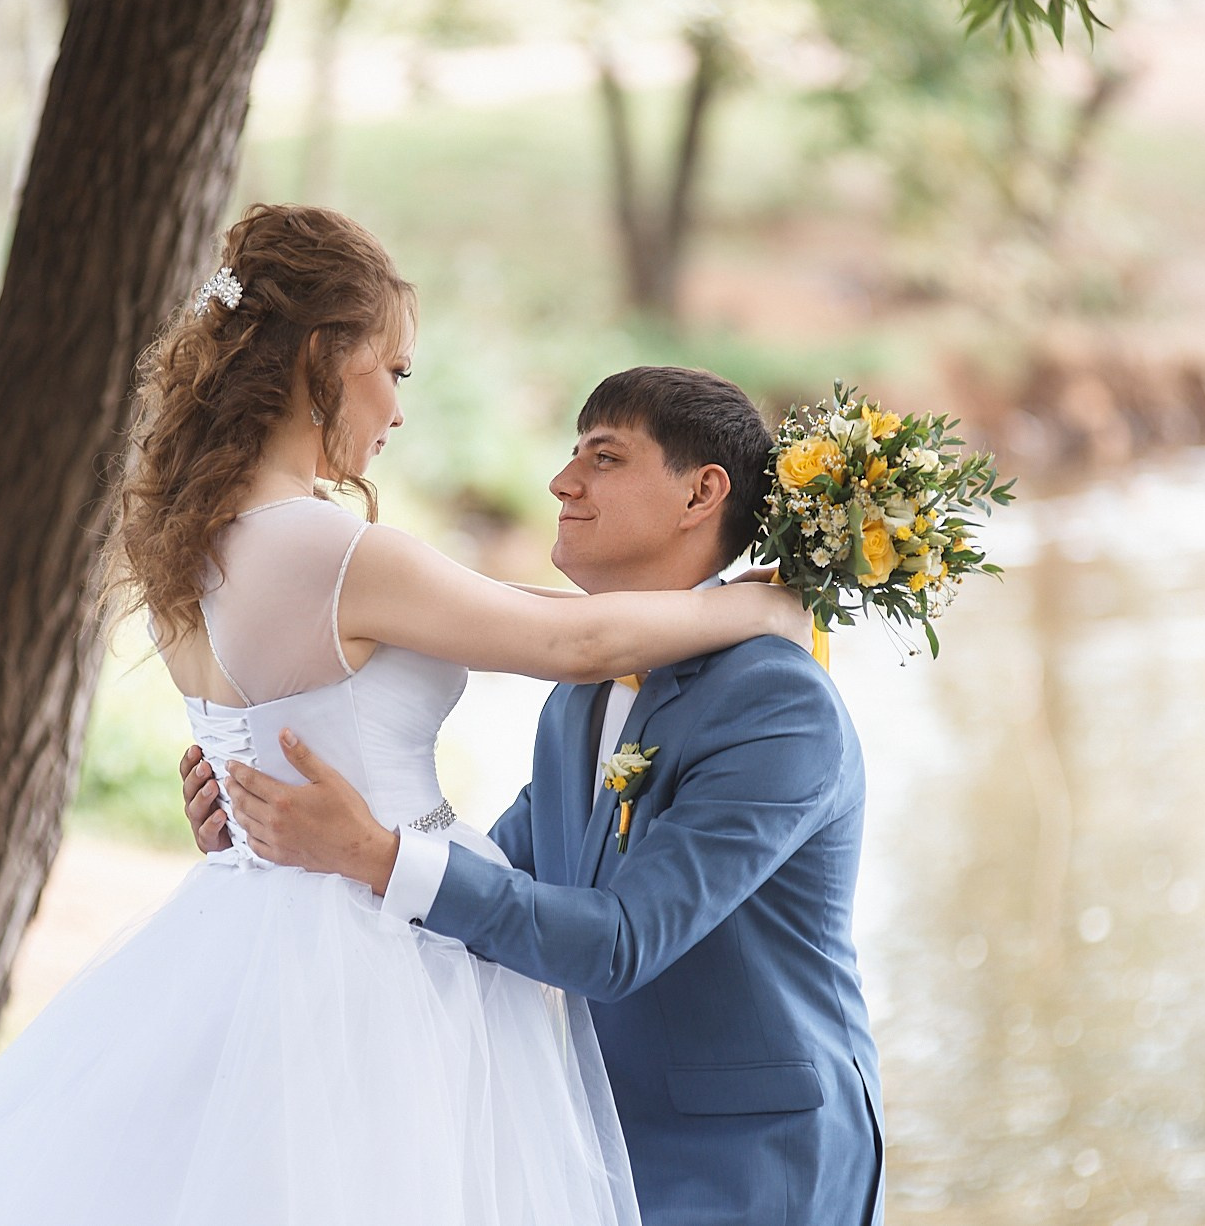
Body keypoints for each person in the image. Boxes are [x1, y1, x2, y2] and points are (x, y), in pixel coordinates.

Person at [0, 206, 806, 1226]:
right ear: (319, 356)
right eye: (391, 369)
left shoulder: (184, 535)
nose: (396, 408)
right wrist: (769, 602)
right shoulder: (328, 551)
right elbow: (575, 643)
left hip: (257, 915)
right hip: (375, 945)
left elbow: (259, 729)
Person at [183, 365, 886, 1225]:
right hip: (603, 1141)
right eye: (571, 453)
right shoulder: (579, 696)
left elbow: (619, 943)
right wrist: (283, 823)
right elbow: (500, 889)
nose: (562, 481)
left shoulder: (774, 701)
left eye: (604, 456)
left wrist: (374, 853)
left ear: (702, 494)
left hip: (757, 1157)